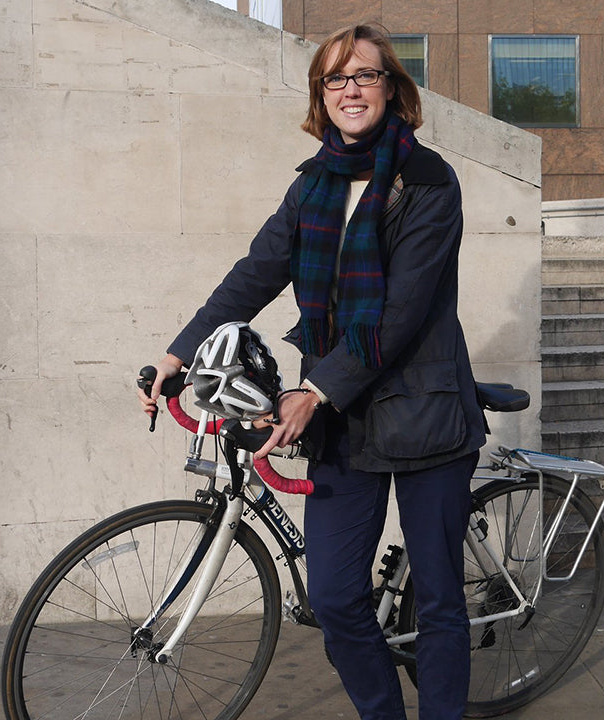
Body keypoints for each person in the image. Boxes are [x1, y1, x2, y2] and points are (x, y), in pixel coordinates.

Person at [138, 23, 486, 720]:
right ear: (320, 95)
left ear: (393, 88)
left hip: (425, 414)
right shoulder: (313, 185)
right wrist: (179, 353)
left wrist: (315, 388)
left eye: (365, 75)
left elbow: (402, 311)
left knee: (442, 596)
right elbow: (256, 273)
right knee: (332, 596)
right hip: (344, 426)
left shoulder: (428, 180)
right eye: (335, 78)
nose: (350, 89)